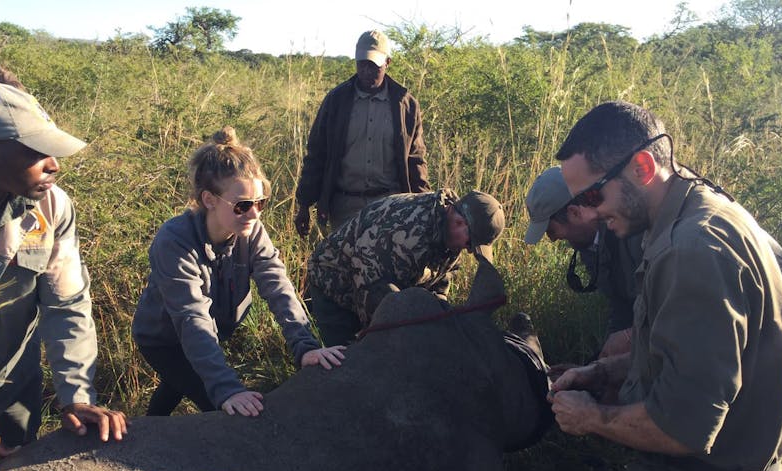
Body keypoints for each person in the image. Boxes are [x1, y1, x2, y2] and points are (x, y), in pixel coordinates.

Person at [549, 100, 782, 471]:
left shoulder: (691, 250)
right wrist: (605, 370)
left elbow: (684, 428)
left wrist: (590, 416)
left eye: (594, 194)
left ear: (641, 166)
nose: (590, 213)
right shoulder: (702, 210)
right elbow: (721, 353)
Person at [132, 127, 345, 417]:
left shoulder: (250, 229)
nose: (255, 214)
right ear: (209, 200)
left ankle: (147, 431)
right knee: (214, 402)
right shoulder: (175, 241)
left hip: (211, 331)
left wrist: (305, 346)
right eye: (243, 206)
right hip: (163, 339)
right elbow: (192, 318)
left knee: (177, 385)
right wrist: (227, 389)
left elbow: (277, 286)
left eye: (260, 203)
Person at [0, 81, 128, 471]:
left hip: (12, 383)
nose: (54, 164)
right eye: (37, 151)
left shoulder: (51, 205)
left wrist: (77, 396)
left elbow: (66, 303)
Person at [306, 189, 504, 347]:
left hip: (383, 286)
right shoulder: (406, 231)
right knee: (348, 364)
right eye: (470, 244)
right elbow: (371, 291)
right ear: (459, 221)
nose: (469, 251)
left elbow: (437, 286)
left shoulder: (452, 234)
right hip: (336, 282)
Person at [293, 29, 430, 236]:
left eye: (373, 65)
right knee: (345, 266)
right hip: (344, 207)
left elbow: (415, 159)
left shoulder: (405, 105)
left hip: (390, 207)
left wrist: (424, 207)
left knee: (384, 267)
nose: (366, 71)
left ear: (387, 63)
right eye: (361, 64)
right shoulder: (337, 100)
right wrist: (304, 204)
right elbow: (317, 153)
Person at [524, 166, 641, 358]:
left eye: (551, 231)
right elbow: (620, 308)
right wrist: (594, 368)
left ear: (575, 213)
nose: (552, 239)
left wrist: (629, 338)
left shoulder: (634, 235)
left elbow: (667, 315)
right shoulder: (589, 244)